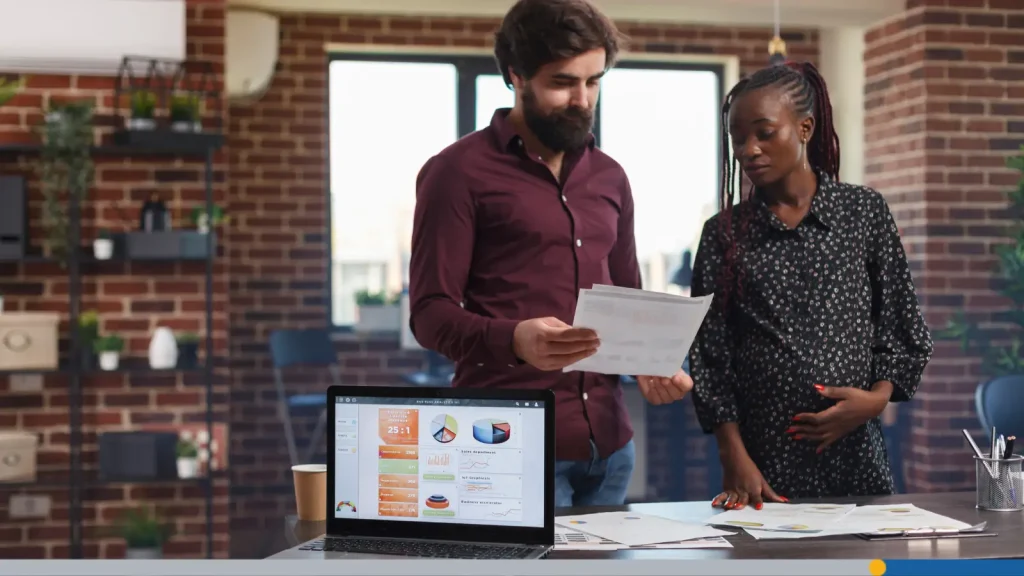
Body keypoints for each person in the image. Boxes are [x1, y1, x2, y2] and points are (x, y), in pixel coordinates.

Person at [408, 0, 692, 508]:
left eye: (594, 81)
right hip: (505, 446)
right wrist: (514, 339)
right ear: (517, 76)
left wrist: (651, 360)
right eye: (563, 82)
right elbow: (429, 317)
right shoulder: (456, 173)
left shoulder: (610, 177)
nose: (582, 100)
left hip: (608, 449)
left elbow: (625, 298)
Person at [688, 61, 934, 510]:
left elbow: (901, 327)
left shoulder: (864, 213)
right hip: (759, 465)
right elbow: (709, 356)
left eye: (764, 133)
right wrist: (731, 453)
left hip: (856, 458)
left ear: (804, 128)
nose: (749, 149)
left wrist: (875, 401)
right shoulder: (723, 233)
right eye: (738, 138)